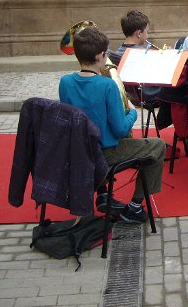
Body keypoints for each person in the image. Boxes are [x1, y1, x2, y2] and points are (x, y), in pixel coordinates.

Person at [59, 27, 166, 223]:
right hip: (105, 152)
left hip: (79, 151)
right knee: (157, 146)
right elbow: (120, 129)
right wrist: (133, 111)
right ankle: (134, 207)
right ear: (100, 55)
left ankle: (103, 193)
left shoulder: (65, 82)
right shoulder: (107, 86)